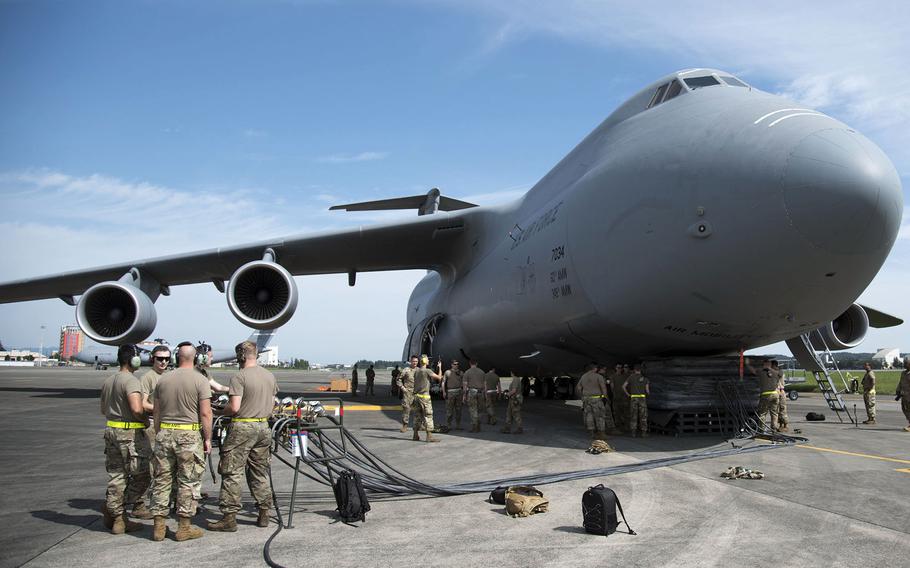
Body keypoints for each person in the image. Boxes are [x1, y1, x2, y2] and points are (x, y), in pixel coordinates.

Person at [208, 341, 279, 532]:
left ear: (240, 356)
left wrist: (219, 412)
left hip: (242, 427)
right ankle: (264, 512)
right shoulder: (269, 376)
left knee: (232, 471)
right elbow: (272, 405)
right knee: (259, 471)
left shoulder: (239, 377)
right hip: (263, 427)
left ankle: (229, 518)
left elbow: (235, 408)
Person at [149, 343, 213, 542]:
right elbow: (205, 413)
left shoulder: (163, 380)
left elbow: (156, 412)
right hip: (189, 436)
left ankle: (159, 526)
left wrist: (160, 432)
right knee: (188, 481)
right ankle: (184, 527)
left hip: (165, 433)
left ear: (177, 358)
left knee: (162, 480)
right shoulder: (200, 380)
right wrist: (208, 438)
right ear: (195, 358)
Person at [99, 344, 151, 534]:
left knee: (117, 476)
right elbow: (137, 409)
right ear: (133, 360)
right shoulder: (131, 381)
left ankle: (117, 517)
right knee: (143, 474)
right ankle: (115, 508)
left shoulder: (109, 380)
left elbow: (103, 410)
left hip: (111, 431)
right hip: (129, 435)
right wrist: (145, 420)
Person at [412, 355, 442, 442]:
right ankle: (429, 436)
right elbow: (439, 378)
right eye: (428, 360)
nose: (428, 361)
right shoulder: (427, 371)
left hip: (416, 397)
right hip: (425, 398)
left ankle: (415, 435)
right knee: (428, 416)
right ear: (425, 361)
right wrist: (440, 368)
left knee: (417, 416)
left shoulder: (416, 371)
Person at [577, 363, 610, 439]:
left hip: (586, 399)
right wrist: (605, 397)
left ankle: (591, 433)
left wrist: (582, 396)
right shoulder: (598, 376)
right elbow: (603, 388)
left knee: (589, 415)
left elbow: (578, 387)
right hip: (596, 399)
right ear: (594, 368)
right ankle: (601, 433)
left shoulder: (583, 376)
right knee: (600, 416)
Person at [749, 358, 780, 432]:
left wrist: (747, 364)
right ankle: (774, 428)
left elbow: (752, 371)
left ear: (765, 364)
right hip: (775, 395)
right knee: (774, 413)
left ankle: (761, 430)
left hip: (766, 395)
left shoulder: (761, 371)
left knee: (762, 413)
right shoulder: (776, 372)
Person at [622, 364, 651, 437]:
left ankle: (633, 433)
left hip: (633, 398)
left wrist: (628, 394)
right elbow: (647, 391)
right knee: (643, 416)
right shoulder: (645, 379)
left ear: (634, 370)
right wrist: (647, 394)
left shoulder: (631, 377)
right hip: (642, 398)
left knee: (633, 415)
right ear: (641, 370)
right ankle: (643, 433)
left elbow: (623, 386)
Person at [463, 359, 486, 433]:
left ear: (470, 364)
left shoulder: (467, 372)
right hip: (480, 392)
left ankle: (474, 426)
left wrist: (464, 395)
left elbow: (465, 385)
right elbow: (485, 384)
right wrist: (485, 394)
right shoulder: (482, 372)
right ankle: (478, 425)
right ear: (477, 363)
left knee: (473, 409)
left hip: (472, 392)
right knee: (480, 410)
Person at [442, 360, 464, 430]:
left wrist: (463, 393)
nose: (456, 365)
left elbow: (464, 383)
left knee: (459, 410)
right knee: (449, 410)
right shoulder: (447, 372)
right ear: (451, 365)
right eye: (454, 364)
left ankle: (458, 425)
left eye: (457, 364)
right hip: (450, 392)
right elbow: (443, 382)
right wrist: (444, 392)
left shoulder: (461, 372)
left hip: (459, 392)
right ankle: (449, 425)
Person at [398, 358, 416, 432]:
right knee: (406, 409)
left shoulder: (419, 370)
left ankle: (419, 425)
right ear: (411, 362)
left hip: (417, 392)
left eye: (416, 361)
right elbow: (398, 379)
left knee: (419, 409)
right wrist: (402, 387)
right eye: (413, 361)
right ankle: (405, 426)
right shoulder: (406, 370)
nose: (415, 363)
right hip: (408, 392)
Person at [772, 360, 789, 432]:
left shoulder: (779, 371)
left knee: (782, 409)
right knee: (776, 409)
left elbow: (779, 375)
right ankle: (780, 425)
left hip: (781, 391)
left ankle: (785, 425)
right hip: (777, 392)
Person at [897, 357, 910, 432]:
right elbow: (900, 382)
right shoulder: (903, 373)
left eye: (906, 363)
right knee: (904, 409)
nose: (904, 365)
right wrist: (898, 390)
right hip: (904, 395)